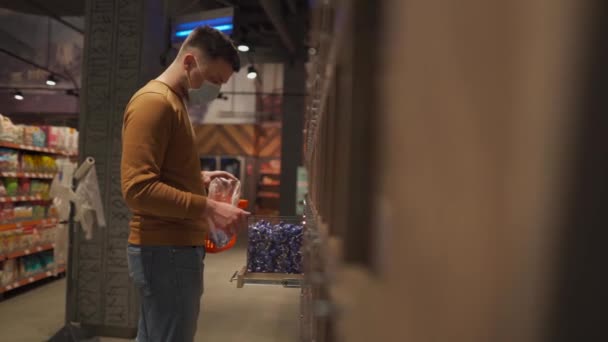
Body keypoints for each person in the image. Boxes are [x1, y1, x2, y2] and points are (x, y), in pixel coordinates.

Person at [121, 26, 249, 342]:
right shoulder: (155, 103)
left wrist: (197, 179)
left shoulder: (174, 102)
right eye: (215, 80)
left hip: (172, 250)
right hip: (167, 251)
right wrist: (208, 206)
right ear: (189, 61)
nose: (214, 91)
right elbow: (138, 189)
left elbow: (160, 172)